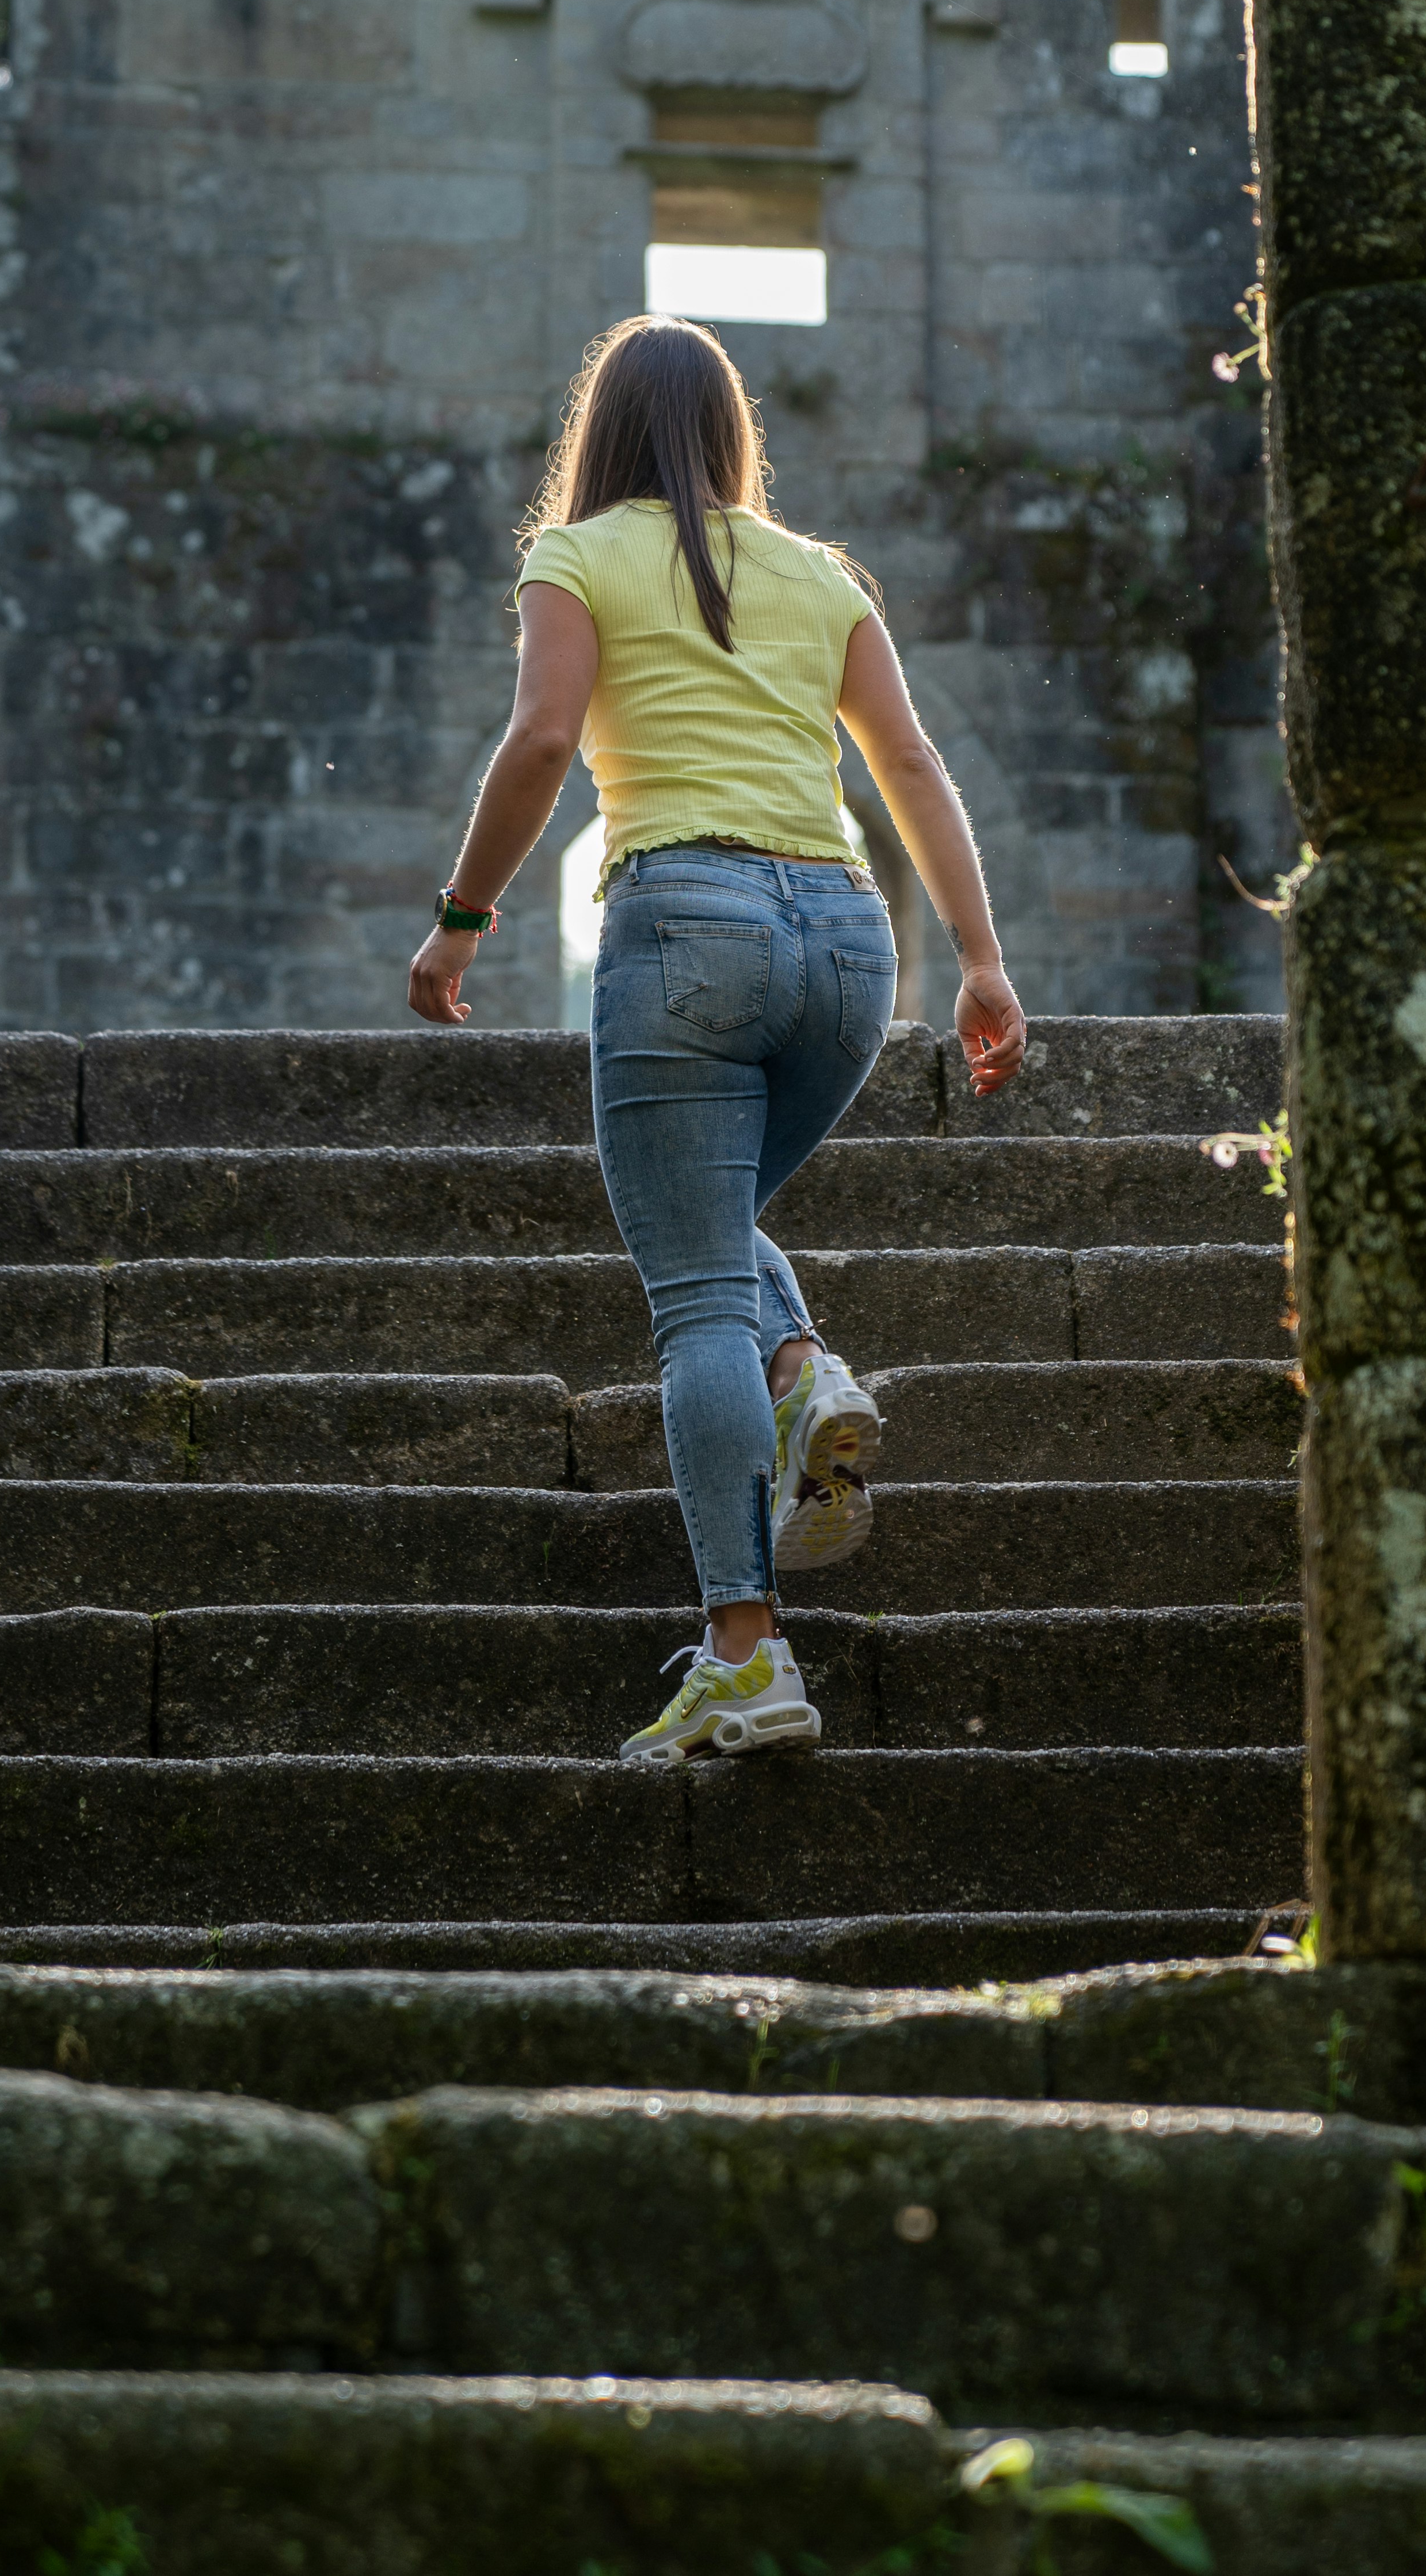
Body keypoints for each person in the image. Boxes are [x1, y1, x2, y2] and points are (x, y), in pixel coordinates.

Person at [407, 314, 1027, 1765]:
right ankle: (804, 1363)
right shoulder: (823, 578)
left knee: (695, 1298)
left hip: (689, 923)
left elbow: (545, 741)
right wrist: (984, 962)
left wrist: (462, 915)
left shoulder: (577, 557)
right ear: (736, 432)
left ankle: (746, 1657)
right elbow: (914, 764)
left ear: (599, 436)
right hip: (852, 946)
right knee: (715, 1227)